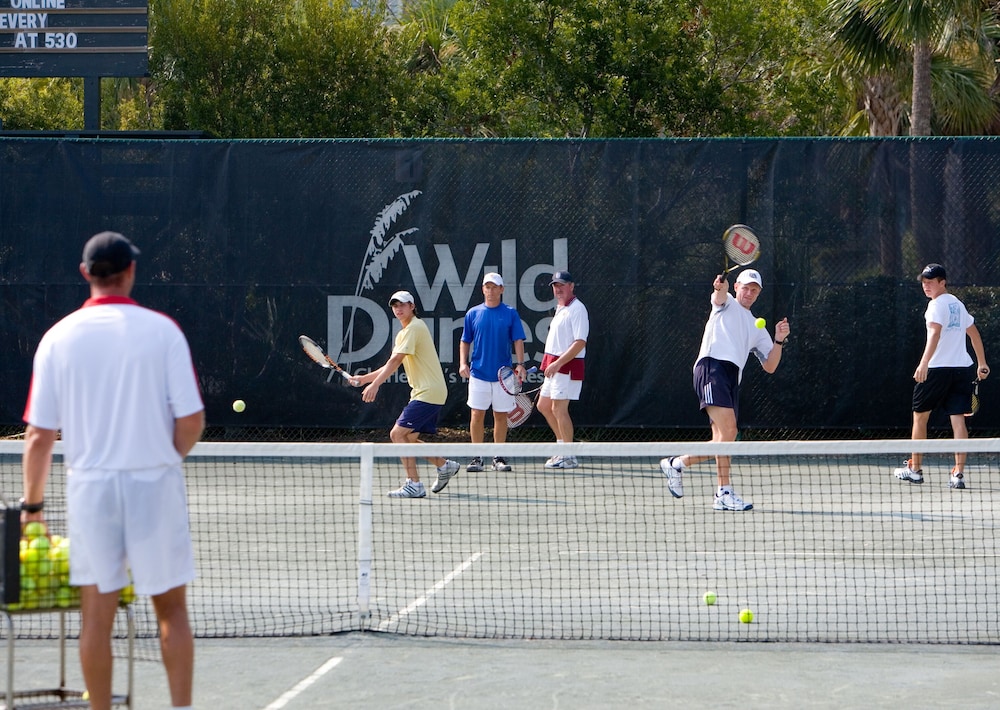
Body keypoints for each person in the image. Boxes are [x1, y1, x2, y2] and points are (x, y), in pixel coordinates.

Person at [21, 231, 204, 710]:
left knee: (96, 617)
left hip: (92, 491)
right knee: (172, 610)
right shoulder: (163, 332)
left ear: (85, 273)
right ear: (131, 271)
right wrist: (160, 459)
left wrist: (32, 508)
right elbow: (191, 422)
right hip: (154, 487)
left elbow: (38, 436)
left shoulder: (57, 338)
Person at [660, 269, 789, 511]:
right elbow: (719, 294)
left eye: (754, 290)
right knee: (730, 431)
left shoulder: (757, 327)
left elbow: (770, 366)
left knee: (722, 439)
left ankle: (715, 488)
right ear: (737, 287)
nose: (749, 293)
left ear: (758, 294)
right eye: (745, 287)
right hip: (712, 367)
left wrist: (779, 340)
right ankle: (689, 471)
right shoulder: (726, 302)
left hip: (731, 378)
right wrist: (720, 286)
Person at [893, 263, 990, 489]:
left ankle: (915, 470)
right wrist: (981, 362)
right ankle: (958, 475)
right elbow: (974, 334)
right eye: (924, 282)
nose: (926, 286)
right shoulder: (958, 304)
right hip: (961, 370)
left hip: (937, 370)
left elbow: (935, 334)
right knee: (958, 420)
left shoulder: (935, 306)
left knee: (920, 417)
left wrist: (924, 363)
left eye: (930, 282)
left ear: (942, 282)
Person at [354, 290, 459, 498]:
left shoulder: (414, 327)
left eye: (402, 304)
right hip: (428, 392)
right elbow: (391, 363)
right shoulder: (405, 333)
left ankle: (414, 484)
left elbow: (395, 362)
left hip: (428, 392)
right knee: (408, 439)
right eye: (395, 306)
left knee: (397, 434)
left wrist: (375, 385)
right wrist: (364, 379)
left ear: (412, 306)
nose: (398, 309)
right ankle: (444, 465)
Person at [458, 272, 528, 475]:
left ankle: (498, 457)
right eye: (487, 287)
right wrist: (463, 363)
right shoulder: (473, 313)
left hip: (503, 376)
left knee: (500, 416)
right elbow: (465, 340)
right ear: (483, 289)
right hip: (478, 374)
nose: (490, 291)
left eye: (494, 287)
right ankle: (477, 457)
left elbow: (518, 340)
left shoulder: (510, 313)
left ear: (501, 289)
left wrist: (520, 364)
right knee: (476, 414)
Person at [537, 271, 589, 469]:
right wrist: (551, 364)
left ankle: (569, 456)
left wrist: (558, 363)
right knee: (544, 406)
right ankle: (562, 447)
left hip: (566, 367)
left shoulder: (578, 309)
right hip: (554, 366)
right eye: (555, 285)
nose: (558, 289)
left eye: (562, 285)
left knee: (558, 408)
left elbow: (580, 342)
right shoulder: (561, 308)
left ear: (571, 286)